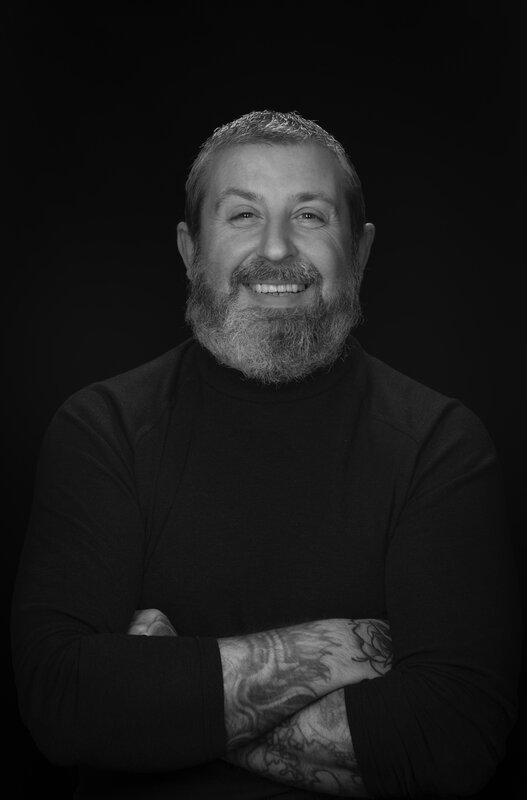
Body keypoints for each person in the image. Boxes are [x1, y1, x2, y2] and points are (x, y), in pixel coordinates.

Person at [11, 110, 520, 799]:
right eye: (243, 215)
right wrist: (334, 649)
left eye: (309, 216)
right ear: (191, 249)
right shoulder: (103, 428)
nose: (276, 249)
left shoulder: (440, 443)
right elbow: (62, 703)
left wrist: (167, 694)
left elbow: (452, 739)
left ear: (360, 250)